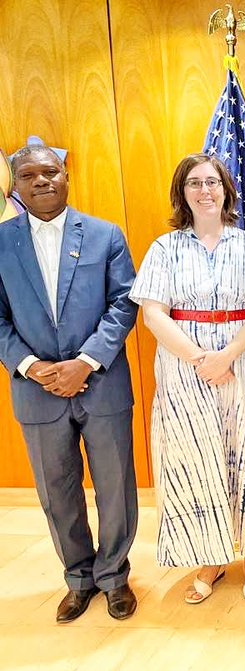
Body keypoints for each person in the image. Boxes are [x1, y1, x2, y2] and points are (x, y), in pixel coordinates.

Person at [130, 153, 245, 604]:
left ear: (226, 190)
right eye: (194, 183)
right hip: (184, 368)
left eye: (212, 182)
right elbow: (153, 313)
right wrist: (201, 358)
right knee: (196, 461)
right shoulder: (164, 248)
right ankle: (210, 557)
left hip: (244, 363)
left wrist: (229, 355)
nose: (204, 190)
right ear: (182, 193)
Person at [0, 145, 139, 622]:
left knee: (115, 486)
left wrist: (86, 361)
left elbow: (125, 303)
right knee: (57, 491)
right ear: (15, 185)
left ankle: (115, 576)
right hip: (35, 391)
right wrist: (30, 366)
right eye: (29, 175)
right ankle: (79, 579)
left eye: (50, 171)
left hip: (101, 385)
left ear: (66, 177)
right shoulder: (1, 242)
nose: (41, 181)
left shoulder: (104, 235)